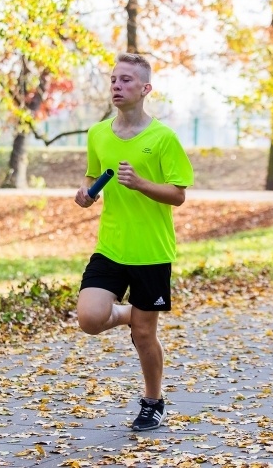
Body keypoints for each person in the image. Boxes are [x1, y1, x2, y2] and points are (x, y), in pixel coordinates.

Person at [74, 52, 194, 432]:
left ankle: (153, 401)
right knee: (90, 319)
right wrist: (86, 194)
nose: (117, 86)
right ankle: (129, 311)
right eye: (113, 79)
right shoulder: (98, 134)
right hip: (111, 245)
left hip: (151, 251)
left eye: (126, 80)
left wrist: (142, 184)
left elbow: (178, 195)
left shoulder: (162, 138)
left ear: (145, 89)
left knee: (144, 335)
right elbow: (95, 179)